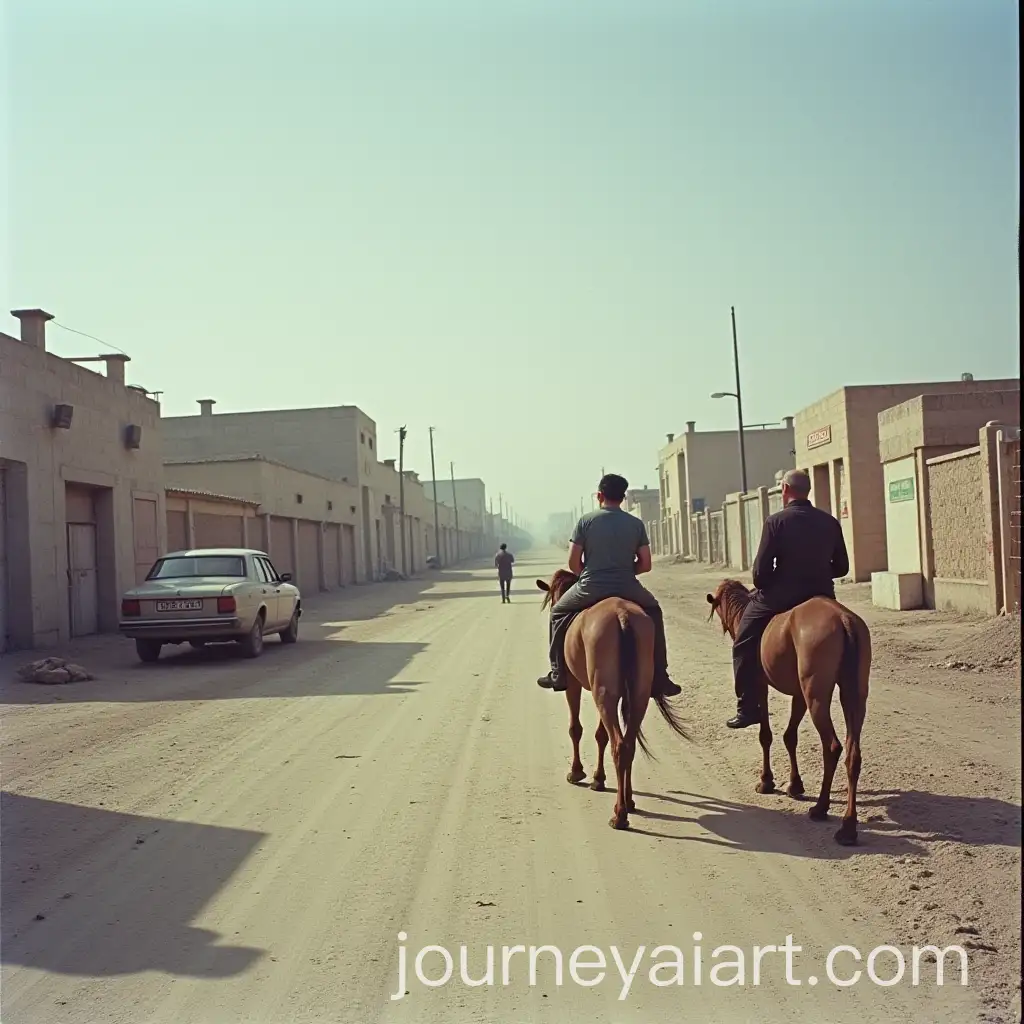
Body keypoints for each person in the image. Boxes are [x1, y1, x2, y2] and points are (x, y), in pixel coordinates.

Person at [537, 473, 682, 698]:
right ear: (623, 498)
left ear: (599, 496)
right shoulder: (636, 524)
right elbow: (646, 564)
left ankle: (558, 672)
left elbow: (573, 562)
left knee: (557, 612)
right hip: (627, 586)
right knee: (654, 611)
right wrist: (625, 571)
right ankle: (661, 676)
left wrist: (589, 572)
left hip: (590, 586)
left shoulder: (585, 521)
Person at [726, 468, 850, 729]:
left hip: (781, 596)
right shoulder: (829, 522)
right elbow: (842, 568)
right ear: (808, 491)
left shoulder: (776, 521)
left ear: (784, 489)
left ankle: (748, 708)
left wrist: (775, 582)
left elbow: (760, 573)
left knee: (743, 642)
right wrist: (816, 572)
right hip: (822, 593)